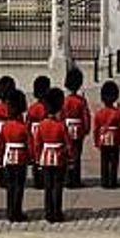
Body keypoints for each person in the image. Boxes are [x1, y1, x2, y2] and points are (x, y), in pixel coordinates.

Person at [34, 87, 72, 224]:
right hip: (59, 157)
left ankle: (48, 212)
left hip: (45, 157)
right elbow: (67, 143)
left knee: (48, 187)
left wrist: (38, 159)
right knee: (57, 187)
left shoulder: (42, 125)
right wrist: (70, 157)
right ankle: (57, 212)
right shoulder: (61, 126)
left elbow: (38, 144)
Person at [0, 89, 32, 221]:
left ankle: (10, 211)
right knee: (19, 186)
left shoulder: (5, 126)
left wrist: (0, 158)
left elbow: (1, 144)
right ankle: (17, 212)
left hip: (8, 157)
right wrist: (31, 157)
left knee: (10, 186)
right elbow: (29, 144)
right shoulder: (23, 127)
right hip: (21, 157)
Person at [93, 80, 120, 189]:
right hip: (115, 138)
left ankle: (104, 181)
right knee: (114, 161)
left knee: (104, 160)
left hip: (103, 139)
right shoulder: (117, 113)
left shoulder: (99, 113)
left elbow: (96, 128)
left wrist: (96, 140)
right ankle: (112, 181)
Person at [61, 68, 91, 189]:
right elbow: (85, 116)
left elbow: (61, 115)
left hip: (66, 128)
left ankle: (67, 178)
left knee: (67, 154)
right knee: (77, 155)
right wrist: (86, 128)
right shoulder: (81, 101)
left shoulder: (65, 100)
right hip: (78, 129)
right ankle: (75, 180)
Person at [26, 75, 51, 190]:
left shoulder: (32, 108)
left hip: (34, 131)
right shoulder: (46, 107)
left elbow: (28, 122)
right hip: (44, 131)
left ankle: (37, 180)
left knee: (35, 156)